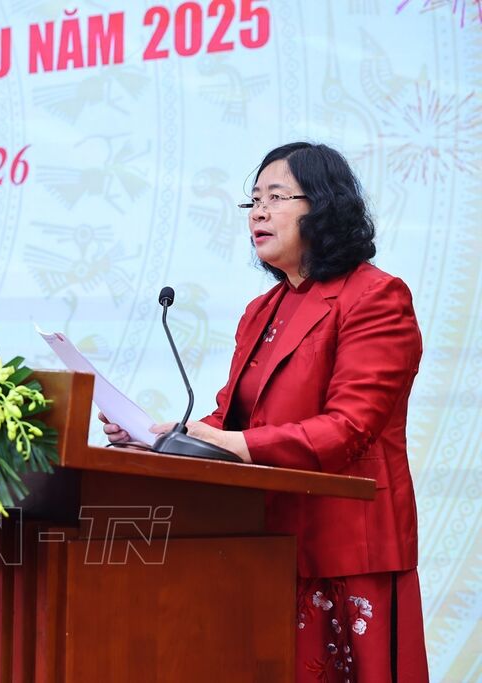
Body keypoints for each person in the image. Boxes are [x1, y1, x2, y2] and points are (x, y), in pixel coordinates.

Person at [103, 142, 428, 682]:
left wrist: (232, 443)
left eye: (276, 197)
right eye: (253, 200)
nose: (258, 213)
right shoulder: (262, 311)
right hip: (266, 543)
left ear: (323, 206)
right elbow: (230, 421)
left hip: (347, 548)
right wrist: (159, 440)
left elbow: (350, 427)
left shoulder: (375, 297)